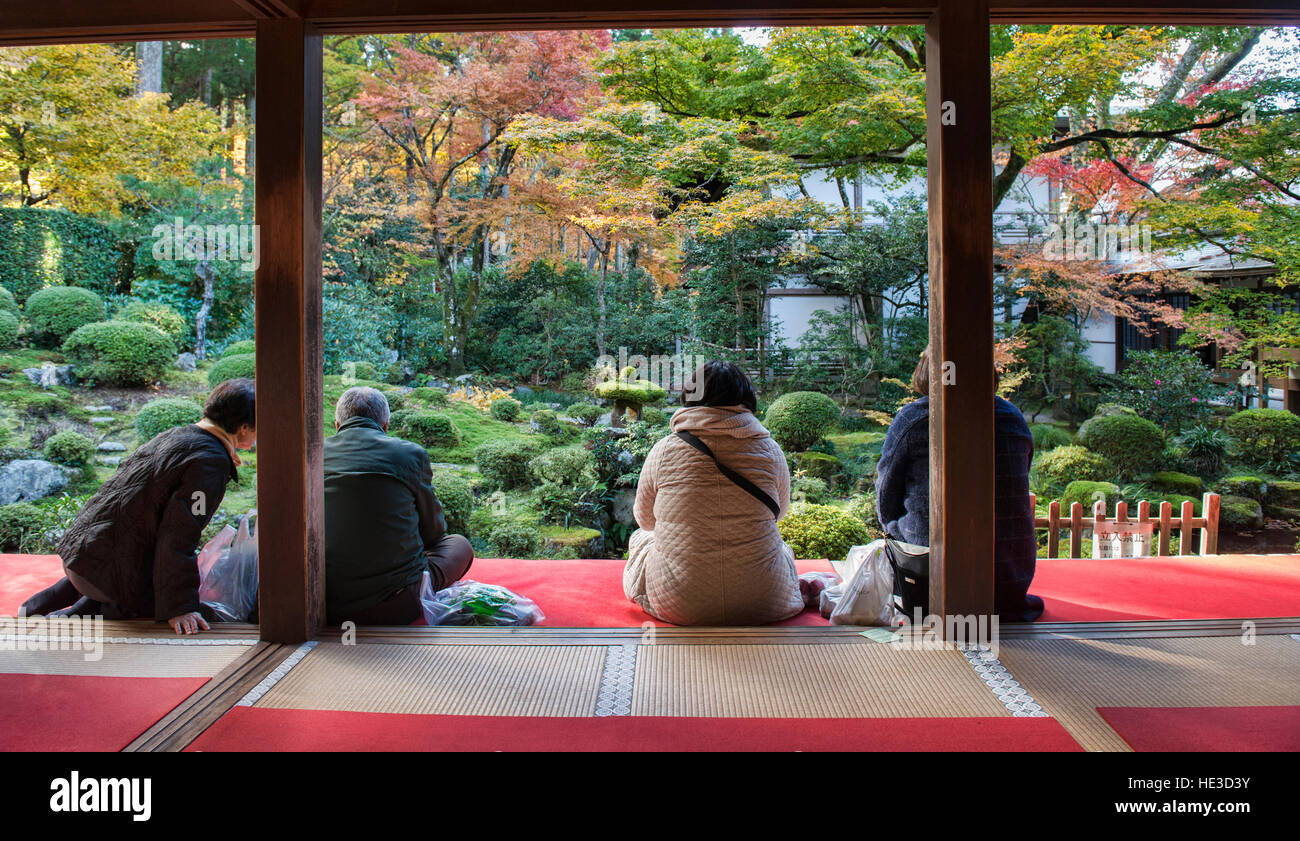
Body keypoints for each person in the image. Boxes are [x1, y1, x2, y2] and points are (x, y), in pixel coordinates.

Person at [21, 378, 257, 634]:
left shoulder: (178, 436)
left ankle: (31, 609)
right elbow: (179, 535)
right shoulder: (209, 462)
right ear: (243, 428)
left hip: (82, 557)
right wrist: (180, 607)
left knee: (124, 560)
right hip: (104, 573)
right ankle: (73, 616)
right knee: (187, 609)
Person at [624, 361, 803, 626]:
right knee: (781, 548)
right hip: (765, 601)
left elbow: (646, 521)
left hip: (678, 603)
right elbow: (780, 513)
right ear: (745, 398)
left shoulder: (664, 450)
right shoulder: (770, 450)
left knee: (641, 538)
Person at [875, 346, 1044, 621]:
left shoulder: (915, 419)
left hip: (931, 582)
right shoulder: (1013, 418)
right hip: (1006, 581)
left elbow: (886, 496)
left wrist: (893, 531)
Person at [323, 386, 473, 625]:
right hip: (397, 603)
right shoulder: (409, 455)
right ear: (386, 425)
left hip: (324, 600)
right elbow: (434, 533)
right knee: (459, 545)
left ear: (337, 424)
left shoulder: (312, 454)